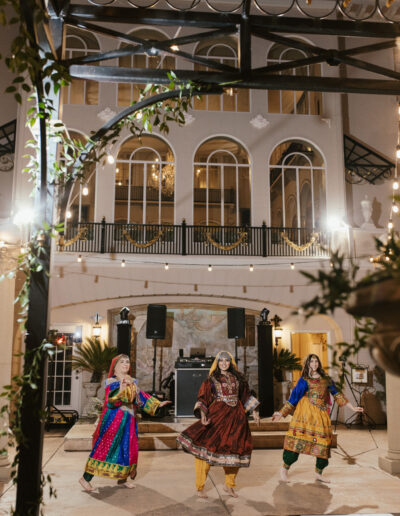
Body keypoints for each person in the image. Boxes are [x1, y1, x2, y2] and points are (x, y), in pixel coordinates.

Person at [79, 354, 171, 491]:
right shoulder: (111, 382)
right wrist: (121, 391)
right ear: (115, 367)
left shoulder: (132, 381)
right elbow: (111, 401)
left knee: (127, 448)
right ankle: (85, 479)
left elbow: (141, 398)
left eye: (127, 361)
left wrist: (157, 404)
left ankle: (122, 479)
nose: (125, 364)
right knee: (104, 448)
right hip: (113, 420)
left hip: (128, 419)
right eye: (122, 362)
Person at [177, 350, 260, 498]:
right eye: (221, 361)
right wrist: (203, 415)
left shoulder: (239, 379)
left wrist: (255, 412)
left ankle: (229, 485)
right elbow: (203, 398)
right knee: (205, 450)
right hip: (217, 418)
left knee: (235, 451)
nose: (224, 363)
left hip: (237, 419)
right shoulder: (210, 380)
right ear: (217, 363)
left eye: (227, 361)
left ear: (231, 362)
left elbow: (246, 396)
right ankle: (200, 486)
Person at [272, 353, 363, 482]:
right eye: (311, 362)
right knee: (296, 442)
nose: (314, 364)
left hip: (321, 416)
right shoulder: (304, 379)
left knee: (324, 443)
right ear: (308, 364)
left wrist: (353, 407)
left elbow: (337, 394)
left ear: (318, 363)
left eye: (316, 361)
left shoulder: (326, 379)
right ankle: (284, 469)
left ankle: (319, 473)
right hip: (304, 415)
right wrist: (281, 413)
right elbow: (294, 398)